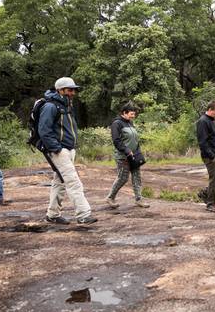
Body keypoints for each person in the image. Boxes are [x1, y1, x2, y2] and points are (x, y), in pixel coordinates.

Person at [40, 77, 97, 225]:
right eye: (70, 90)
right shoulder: (51, 106)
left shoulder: (67, 106)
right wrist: (57, 149)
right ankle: (83, 215)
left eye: (74, 90)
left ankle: (52, 215)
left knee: (59, 183)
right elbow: (44, 131)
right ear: (60, 90)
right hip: (60, 151)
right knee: (73, 182)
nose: (73, 93)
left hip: (68, 149)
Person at [105, 103, 150, 209]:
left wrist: (138, 152)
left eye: (134, 114)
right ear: (124, 113)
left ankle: (139, 199)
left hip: (134, 155)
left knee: (137, 177)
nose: (133, 116)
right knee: (123, 178)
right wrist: (126, 150)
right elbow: (116, 140)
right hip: (122, 156)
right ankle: (110, 197)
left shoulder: (130, 123)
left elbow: (135, 139)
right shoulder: (117, 124)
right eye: (131, 114)